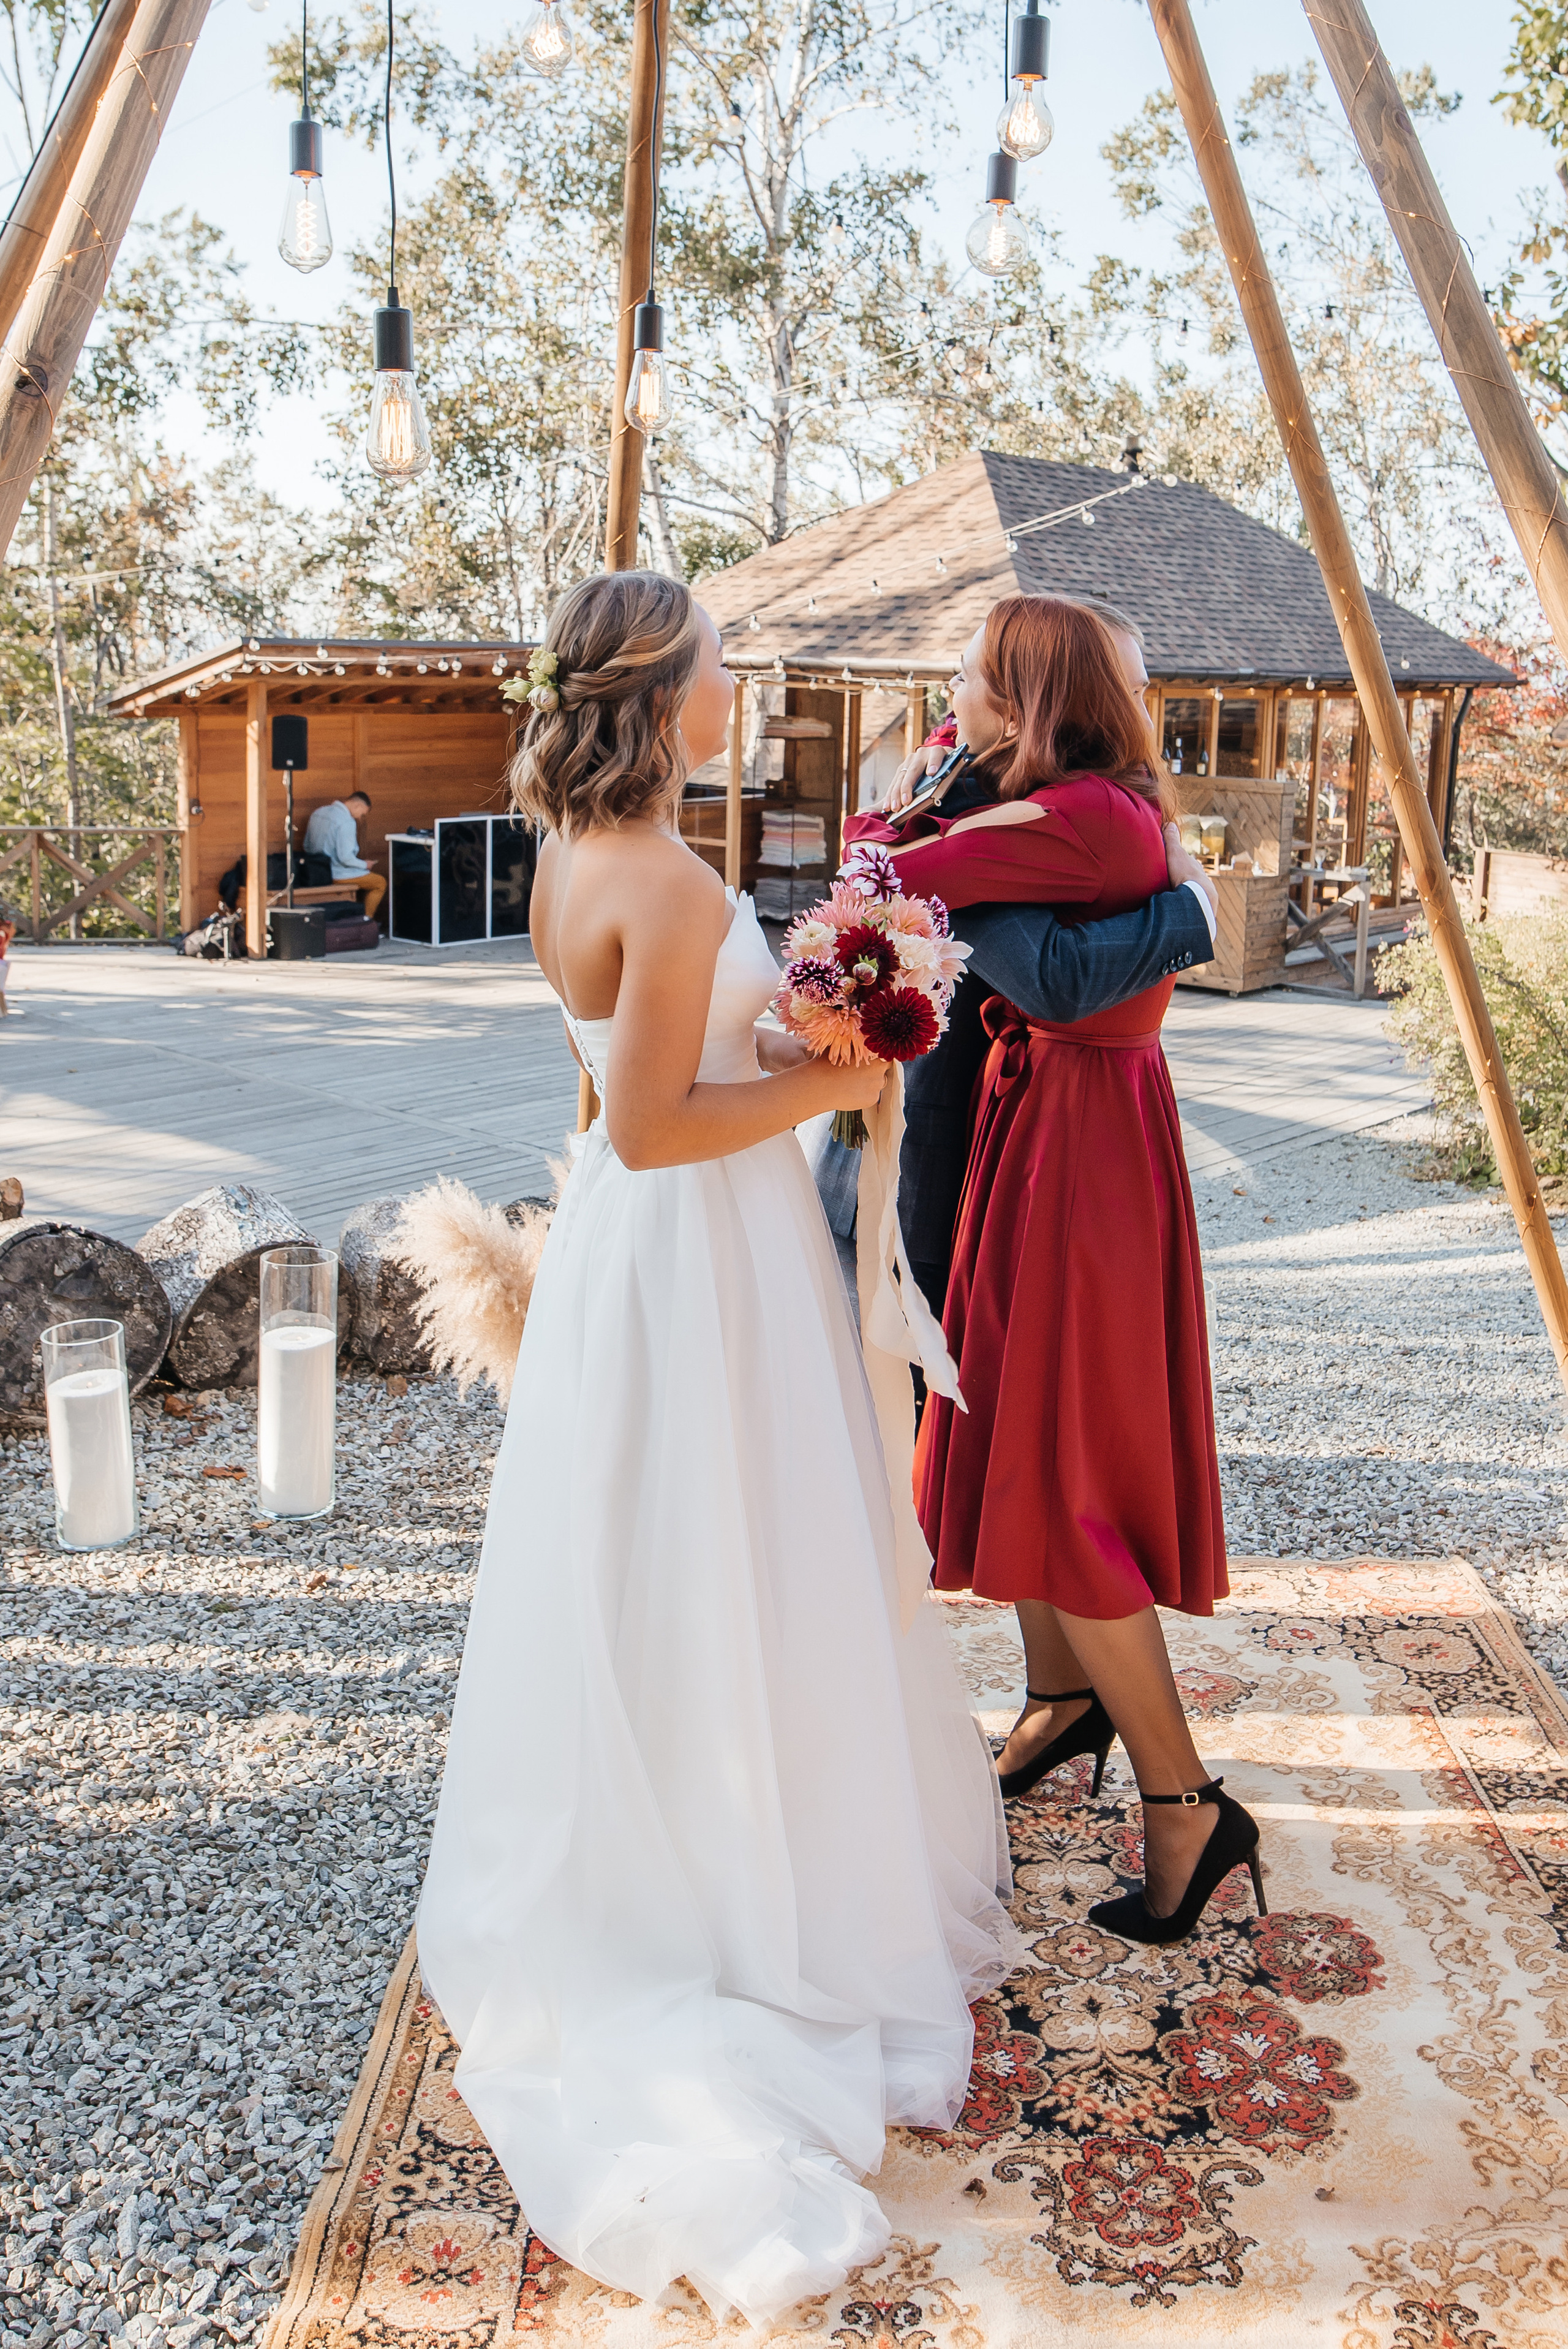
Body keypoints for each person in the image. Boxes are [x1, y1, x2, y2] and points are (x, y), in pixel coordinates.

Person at [416, 570, 1019, 2328]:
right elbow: (667, 1123)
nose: (736, 685)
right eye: (720, 665)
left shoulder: (570, 861)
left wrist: (811, 1018)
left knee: (664, 1557)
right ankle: (742, 1897)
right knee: (740, 1540)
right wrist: (840, 1086)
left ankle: (683, 1813)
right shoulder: (670, 879)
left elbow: (623, 1081)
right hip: (698, 1255)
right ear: (659, 693)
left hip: (635, 1255)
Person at [848, 594, 1262, 1950]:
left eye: (968, 682)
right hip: (1045, 1139)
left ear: (1026, 702)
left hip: (1078, 1158)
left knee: (1067, 1473)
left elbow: (1031, 963)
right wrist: (926, 835)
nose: (946, 702)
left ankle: (1186, 1801)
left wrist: (919, 842)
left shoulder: (1082, 818)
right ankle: (1065, 1701)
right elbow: (946, 899)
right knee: (1016, 1432)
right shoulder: (1047, 809)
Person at [302, 788, 385, 920]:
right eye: (362, 814)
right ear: (357, 805)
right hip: (336, 874)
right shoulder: (347, 822)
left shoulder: (318, 813)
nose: (359, 818)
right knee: (379, 883)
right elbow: (345, 858)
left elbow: (306, 845)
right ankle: (365, 921)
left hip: (314, 871)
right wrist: (365, 865)